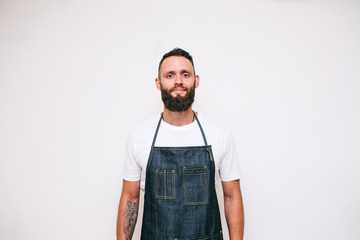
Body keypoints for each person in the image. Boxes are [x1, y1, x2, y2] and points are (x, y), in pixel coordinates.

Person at [116, 48, 244, 240]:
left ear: (196, 80)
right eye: (170, 75)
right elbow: (130, 198)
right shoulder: (139, 136)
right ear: (158, 83)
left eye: (185, 74)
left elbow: (232, 197)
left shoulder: (219, 134)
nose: (178, 81)